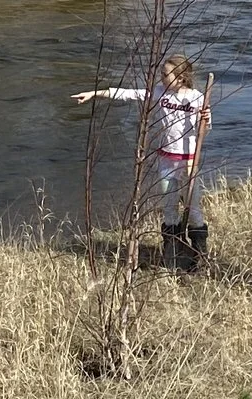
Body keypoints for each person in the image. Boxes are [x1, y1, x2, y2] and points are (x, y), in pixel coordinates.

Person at [74, 57, 213, 270]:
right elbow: (128, 94)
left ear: (181, 78)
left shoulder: (196, 99)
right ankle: (172, 252)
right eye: (161, 74)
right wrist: (94, 93)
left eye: (166, 74)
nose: (161, 77)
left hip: (188, 162)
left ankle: (199, 255)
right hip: (166, 161)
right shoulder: (158, 93)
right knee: (169, 208)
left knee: (192, 209)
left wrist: (206, 117)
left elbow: (203, 131)